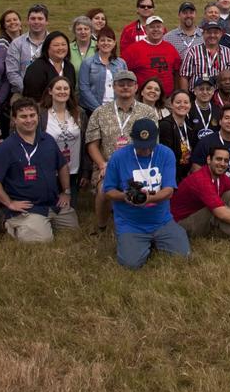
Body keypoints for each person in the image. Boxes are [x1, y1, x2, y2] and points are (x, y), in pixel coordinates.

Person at [0, 98, 79, 242]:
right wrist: (9, 203)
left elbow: (62, 165)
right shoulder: (7, 147)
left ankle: (42, 222)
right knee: (42, 240)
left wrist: (65, 192)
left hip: (53, 203)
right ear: (14, 119)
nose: (29, 120)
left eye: (32, 115)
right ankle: (8, 222)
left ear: (38, 117)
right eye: (23, 116)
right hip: (26, 207)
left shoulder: (48, 140)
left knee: (74, 230)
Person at [102, 118, 190, 269]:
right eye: (141, 147)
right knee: (130, 264)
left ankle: (156, 240)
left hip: (161, 221)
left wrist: (150, 198)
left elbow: (169, 191)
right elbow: (108, 191)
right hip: (131, 223)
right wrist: (125, 196)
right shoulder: (118, 157)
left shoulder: (166, 154)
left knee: (184, 256)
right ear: (132, 139)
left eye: (149, 145)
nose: (146, 150)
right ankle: (135, 242)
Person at [84, 70, 159, 234]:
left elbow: (153, 143)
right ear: (113, 87)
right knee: (104, 189)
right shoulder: (100, 112)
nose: (125, 87)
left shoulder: (147, 112)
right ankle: (102, 227)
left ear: (136, 87)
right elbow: (92, 144)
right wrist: (103, 164)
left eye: (129, 84)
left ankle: (142, 225)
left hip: (138, 165)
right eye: (121, 84)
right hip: (107, 165)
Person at [39, 76, 86, 193]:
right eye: (58, 88)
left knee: (70, 208)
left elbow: (85, 143)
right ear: (50, 91)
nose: (62, 91)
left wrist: (85, 171)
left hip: (74, 169)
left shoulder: (79, 113)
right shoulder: (41, 115)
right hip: (49, 170)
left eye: (66, 88)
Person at [122, 16, 182, 96]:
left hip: (166, 98)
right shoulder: (134, 49)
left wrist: (176, 92)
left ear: (163, 29)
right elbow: (123, 70)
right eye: (152, 27)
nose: (156, 29)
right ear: (146, 29)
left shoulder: (170, 48)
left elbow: (177, 72)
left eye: (158, 27)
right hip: (143, 98)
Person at [78, 26, 128, 113]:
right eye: (102, 40)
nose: (106, 43)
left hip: (117, 110)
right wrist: (99, 110)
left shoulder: (121, 63)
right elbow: (84, 88)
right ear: (97, 43)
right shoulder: (87, 63)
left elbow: (126, 86)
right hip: (92, 110)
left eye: (109, 40)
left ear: (114, 43)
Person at [5, 4, 49, 96]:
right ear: (27, 21)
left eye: (40, 19)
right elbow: (12, 72)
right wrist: (28, 90)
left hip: (49, 94)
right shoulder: (16, 44)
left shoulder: (53, 42)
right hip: (23, 93)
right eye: (33, 19)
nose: (36, 22)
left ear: (46, 21)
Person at [22, 30, 77, 102]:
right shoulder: (36, 68)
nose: (60, 48)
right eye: (56, 45)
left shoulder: (69, 67)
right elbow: (32, 97)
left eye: (63, 44)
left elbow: (71, 93)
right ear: (47, 48)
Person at [158, 89, 197, 186]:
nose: (182, 105)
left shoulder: (190, 125)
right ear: (171, 104)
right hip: (171, 175)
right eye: (178, 102)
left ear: (190, 105)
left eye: (186, 102)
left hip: (186, 172)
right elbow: (166, 155)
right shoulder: (165, 125)